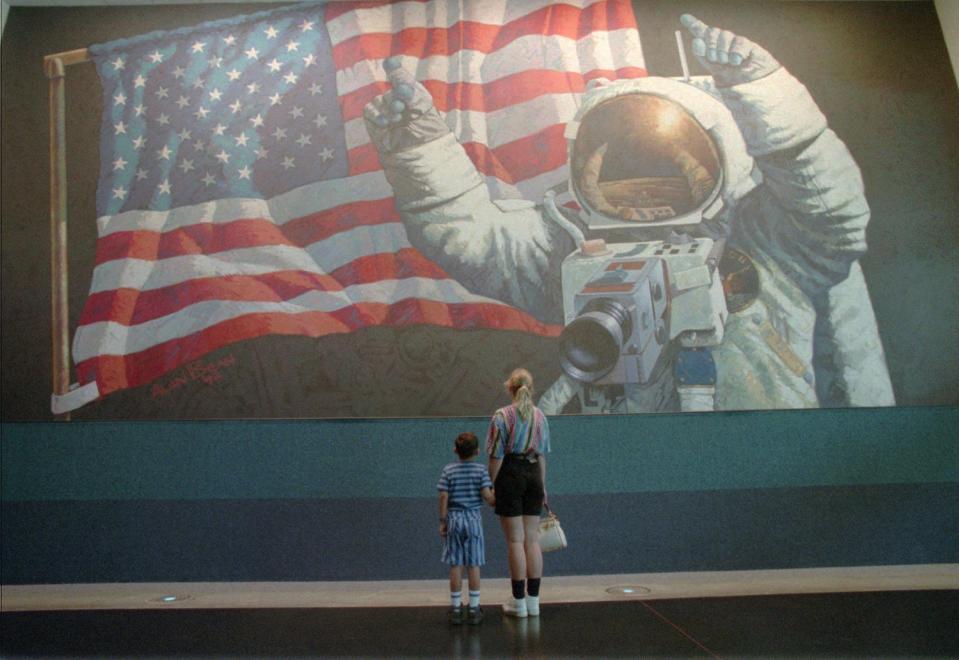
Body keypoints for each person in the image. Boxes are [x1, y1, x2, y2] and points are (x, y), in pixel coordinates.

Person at [363, 14, 895, 414]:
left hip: (771, 455)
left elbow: (829, 206)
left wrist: (765, 91)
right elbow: (470, 236)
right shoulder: (573, 247)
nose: (644, 193)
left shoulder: (769, 239)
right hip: (635, 462)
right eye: (623, 170)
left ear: (719, 159)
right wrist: (418, 151)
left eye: (667, 166)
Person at [487, 368, 551, 618]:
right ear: (530, 388)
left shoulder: (501, 416)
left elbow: (496, 456)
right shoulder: (540, 416)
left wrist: (491, 485)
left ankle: (518, 602)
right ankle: (534, 601)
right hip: (534, 474)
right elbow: (542, 455)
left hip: (510, 475)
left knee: (515, 541)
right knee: (532, 540)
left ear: (510, 388)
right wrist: (543, 486)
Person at [437, 431, 495, 624]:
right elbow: (487, 496)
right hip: (473, 519)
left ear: (455, 450)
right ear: (478, 451)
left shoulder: (448, 470)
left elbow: (443, 496)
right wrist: (497, 499)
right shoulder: (481, 471)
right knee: (474, 564)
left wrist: (442, 520)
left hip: (453, 518)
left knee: (456, 564)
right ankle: (473, 608)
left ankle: (455, 608)